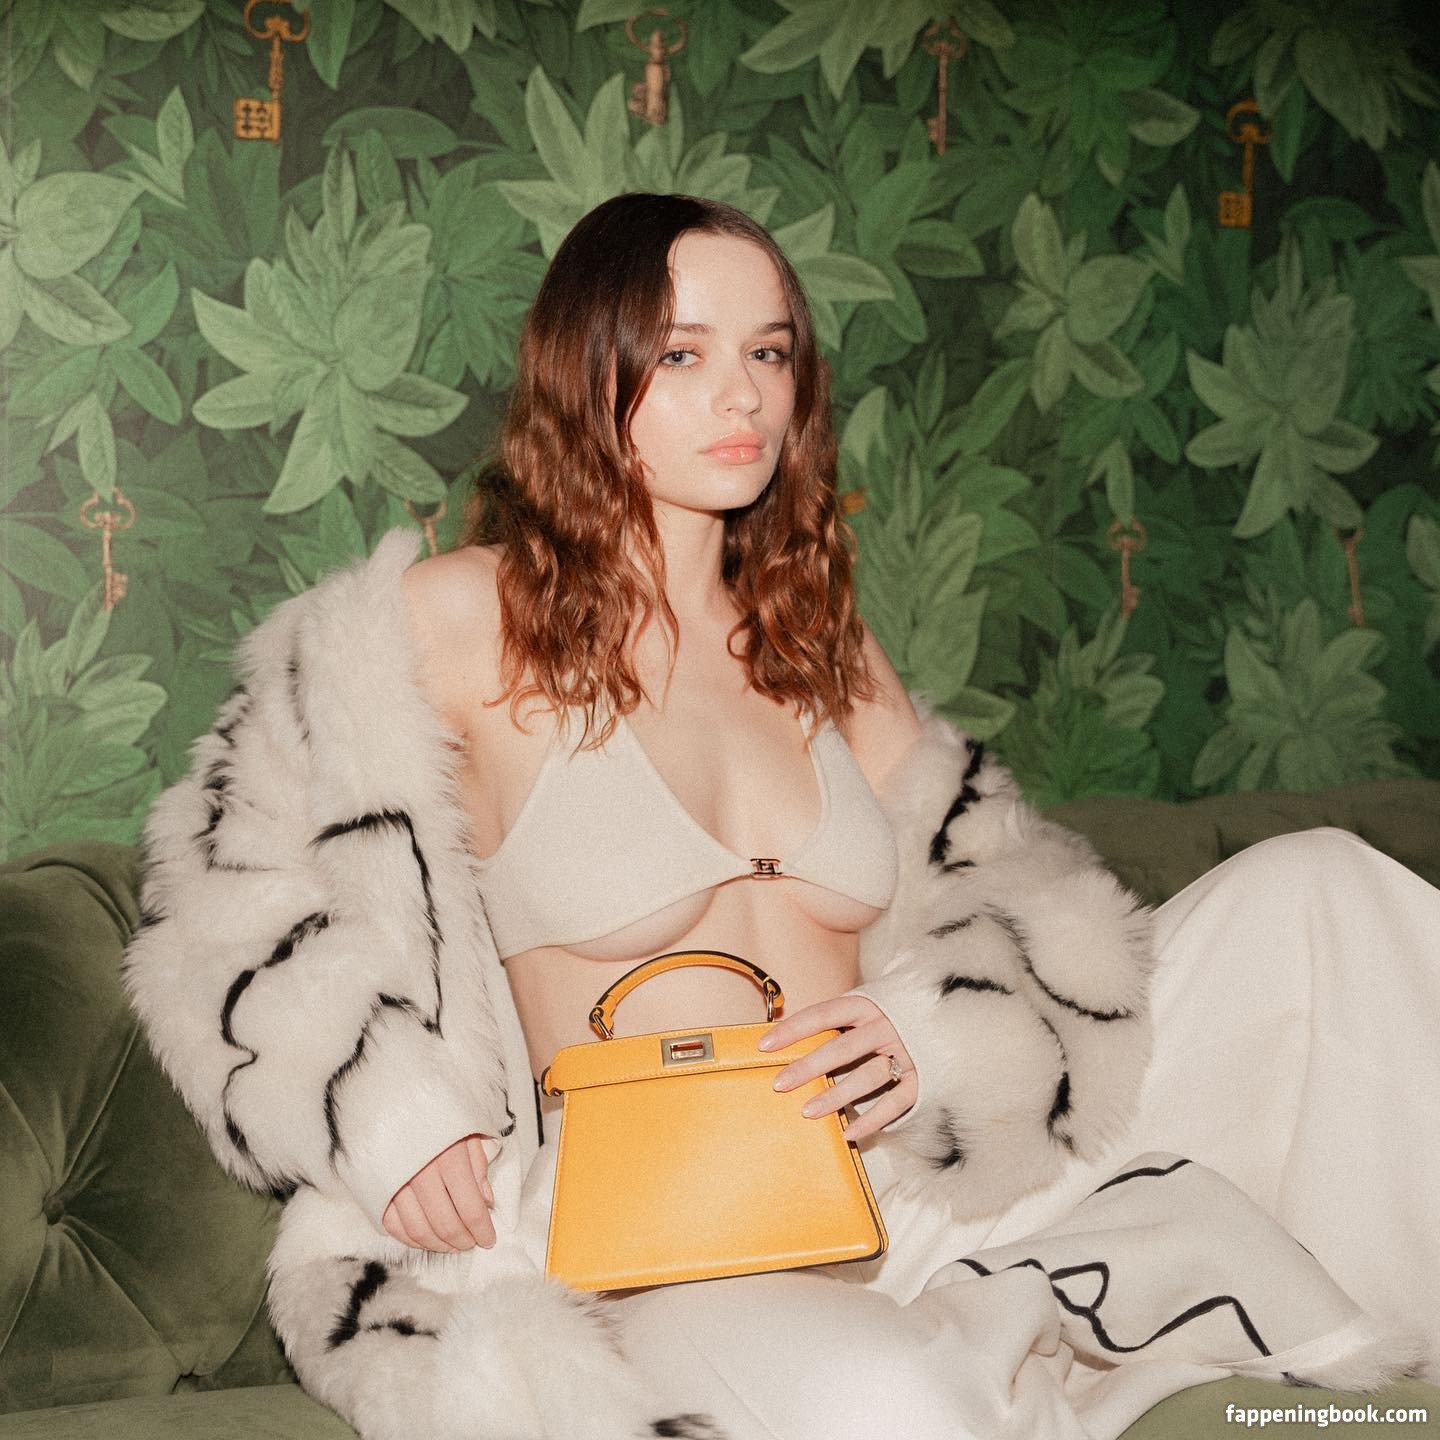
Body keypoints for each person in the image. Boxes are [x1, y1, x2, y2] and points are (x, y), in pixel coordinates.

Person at [123, 193, 1440, 1440]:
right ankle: (976, 1347)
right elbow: (226, 899)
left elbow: (1020, 882)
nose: (744, 393)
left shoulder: (817, 640)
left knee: (1322, 890)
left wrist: (937, 1031)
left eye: (768, 351)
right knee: (896, 1405)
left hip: (902, 1186)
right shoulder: (459, 618)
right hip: (655, 1239)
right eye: (683, 354)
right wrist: (394, 1117)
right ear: (589, 374)